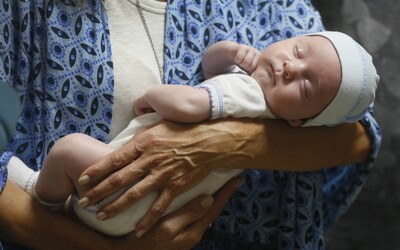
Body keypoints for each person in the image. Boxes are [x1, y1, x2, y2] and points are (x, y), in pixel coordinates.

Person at [0, 0, 381, 249]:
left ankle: (45, 192)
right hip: (93, 221)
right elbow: (215, 71)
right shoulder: (31, 11)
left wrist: (223, 143)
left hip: (212, 228)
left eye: (305, 83)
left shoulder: (272, 16)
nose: (289, 66)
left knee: (70, 151)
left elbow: (357, 137)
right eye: (296, 51)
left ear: (302, 118)